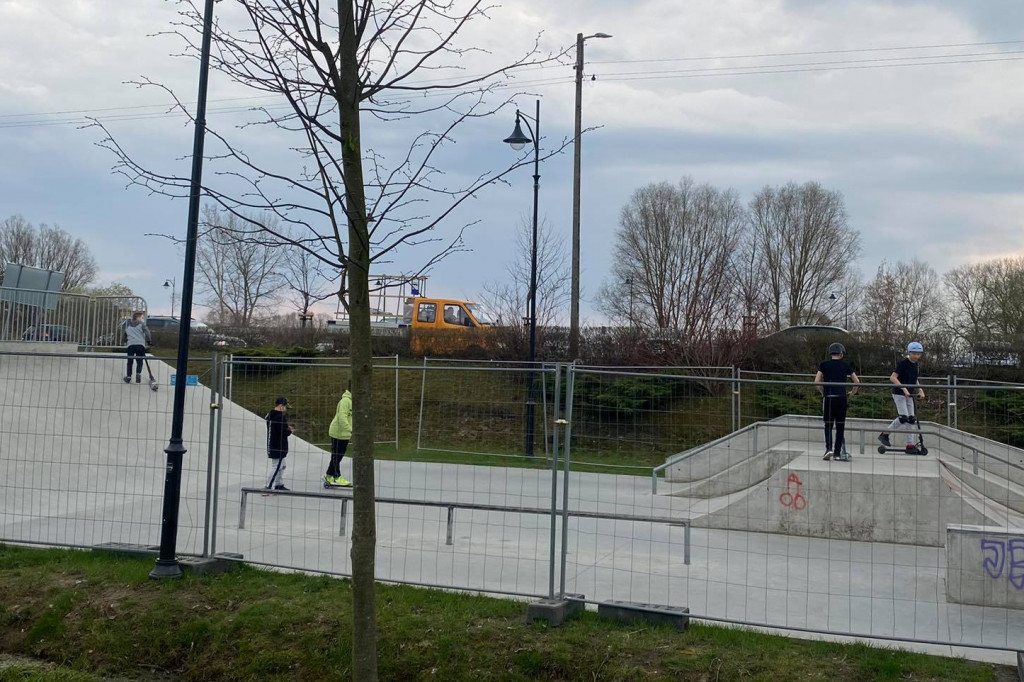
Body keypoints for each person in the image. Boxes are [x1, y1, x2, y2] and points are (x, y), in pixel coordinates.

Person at [878, 341, 926, 454]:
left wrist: (920, 390)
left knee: (911, 419)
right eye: (914, 353)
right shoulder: (902, 364)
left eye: (918, 354)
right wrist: (903, 388)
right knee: (903, 417)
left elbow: (915, 379)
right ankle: (885, 433)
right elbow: (893, 378)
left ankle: (910, 444)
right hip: (899, 393)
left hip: (910, 394)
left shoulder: (916, 365)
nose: (916, 356)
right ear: (909, 353)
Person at [815, 342, 860, 461]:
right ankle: (837, 453)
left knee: (828, 425)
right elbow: (856, 381)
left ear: (830, 353)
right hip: (841, 398)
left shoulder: (823, 365)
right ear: (841, 354)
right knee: (840, 426)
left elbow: (817, 381)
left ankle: (828, 449)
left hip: (829, 397)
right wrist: (853, 392)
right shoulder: (846, 365)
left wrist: (822, 392)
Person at [325, 381, 353, 486]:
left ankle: (328, 475)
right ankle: (336, 476)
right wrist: (350, 429)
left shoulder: (353, 401)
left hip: (345, 434)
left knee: (338, 456)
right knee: (336, 456)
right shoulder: (346, 401)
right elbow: (342, 418)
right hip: (338, 432)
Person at [265, 397, 294, 491]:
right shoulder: (279, 417)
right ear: (281, 406)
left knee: (282, 466)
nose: (285, 409)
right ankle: (268, 487)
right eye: (285, 407)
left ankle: (279, 484)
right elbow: (282, 432)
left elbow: (276, 427)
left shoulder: (270, 414)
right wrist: (290, 430)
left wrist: (286, 427)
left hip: (273, 443)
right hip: (278, 445)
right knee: (276, 466)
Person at [122, 311, 152, 384]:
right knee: (139, 360)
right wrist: (149, 341)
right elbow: (147, 332)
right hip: (140, 345)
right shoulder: (142, 325)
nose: (142, 319)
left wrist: (125, 341)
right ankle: (138, 374)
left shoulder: (128, 326)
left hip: (131, 345)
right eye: (141, 317)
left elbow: (124, 335)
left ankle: (128, 376)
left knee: (130, 361)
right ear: (137, 318)